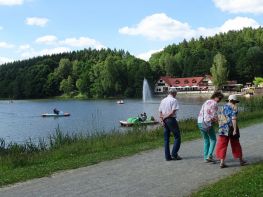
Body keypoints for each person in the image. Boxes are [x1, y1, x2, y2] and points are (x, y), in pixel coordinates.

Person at [216, 95, 247, 168]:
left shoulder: (222, 107)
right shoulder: (234, 107)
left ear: (229, 100)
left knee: (222, 145)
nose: (235, 103)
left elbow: (219, 118)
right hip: (231, 128)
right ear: (234, 101)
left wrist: (220, 126)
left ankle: (222, 162)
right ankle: (241, 161)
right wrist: (235, 129)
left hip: (222, 129)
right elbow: (234, 119)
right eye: (235, 102)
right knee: (236, 144)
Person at [197, 91, 224, 163]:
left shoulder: (206, 101)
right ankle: (209, 156)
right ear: (215, 97)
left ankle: (206, 157)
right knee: (213, 139)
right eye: (219, 98)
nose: (219, 100)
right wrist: (220, 123)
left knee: (206, 140)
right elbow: (214, 116)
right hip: (207, 123)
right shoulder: (214, 103)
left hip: (200, 121)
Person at [159, 87, 182, 161]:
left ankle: (167, 157)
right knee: (177, 137)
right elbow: (172, 112)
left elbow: (160, 111)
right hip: (171, 119)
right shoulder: (174, 100)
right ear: (174, 93)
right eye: (176, 93)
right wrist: (165, 117)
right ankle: (174, 154)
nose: (176, 95)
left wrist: (162, 120)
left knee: (166, 139)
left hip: (165, 120)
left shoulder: (163, 100)